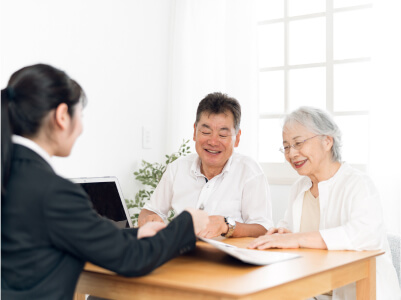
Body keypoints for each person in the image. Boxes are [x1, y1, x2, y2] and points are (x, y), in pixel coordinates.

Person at [1, 64, 209, 300]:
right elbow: (132, 258)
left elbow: (78, 232)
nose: (81, 127)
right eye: (81, 114)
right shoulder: (53, 193)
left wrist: (137, 233)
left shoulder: (11, 177)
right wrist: (188, 223)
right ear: (62, 116)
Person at [248, 106, 401, 299]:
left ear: (327, 141)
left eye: (298, 143)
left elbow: (365, 236)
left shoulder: (358, 184)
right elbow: (288, 230)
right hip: (311, 291)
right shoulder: (299, 187)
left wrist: (297, 238)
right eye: (286, 147)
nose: (292, 154)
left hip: (360, 293)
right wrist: (281, 234)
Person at [139, 92, 273, 238]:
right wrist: (150, 219)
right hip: (182, 254)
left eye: (222, 135)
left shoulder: (249, 172)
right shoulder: (177, 168)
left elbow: (263, 228)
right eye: (206, 131)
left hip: (226, 258)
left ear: (237, 138)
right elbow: (150, 211)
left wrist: (226, 225)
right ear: (195, 132)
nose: (213, 141)